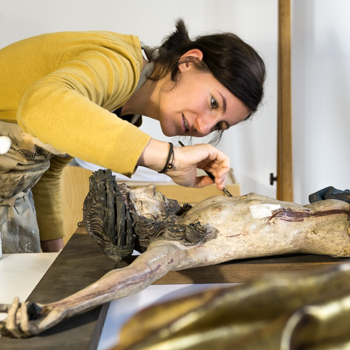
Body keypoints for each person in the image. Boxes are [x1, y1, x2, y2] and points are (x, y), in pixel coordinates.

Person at [0, 19, 265, 253]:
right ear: (188, 61)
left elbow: (47, 170)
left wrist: (52, 256)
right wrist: (168, 157)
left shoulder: (122, 113)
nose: (204, 127)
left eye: (219, 126)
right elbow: (41, 105)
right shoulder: (118, 63)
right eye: (213, 103)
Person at [1, 169, 349, 338]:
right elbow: (131, 276)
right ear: (135, 214)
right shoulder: (174, 244)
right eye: (138, 195)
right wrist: (58, 308)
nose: (150, 189)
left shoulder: (188, 216)